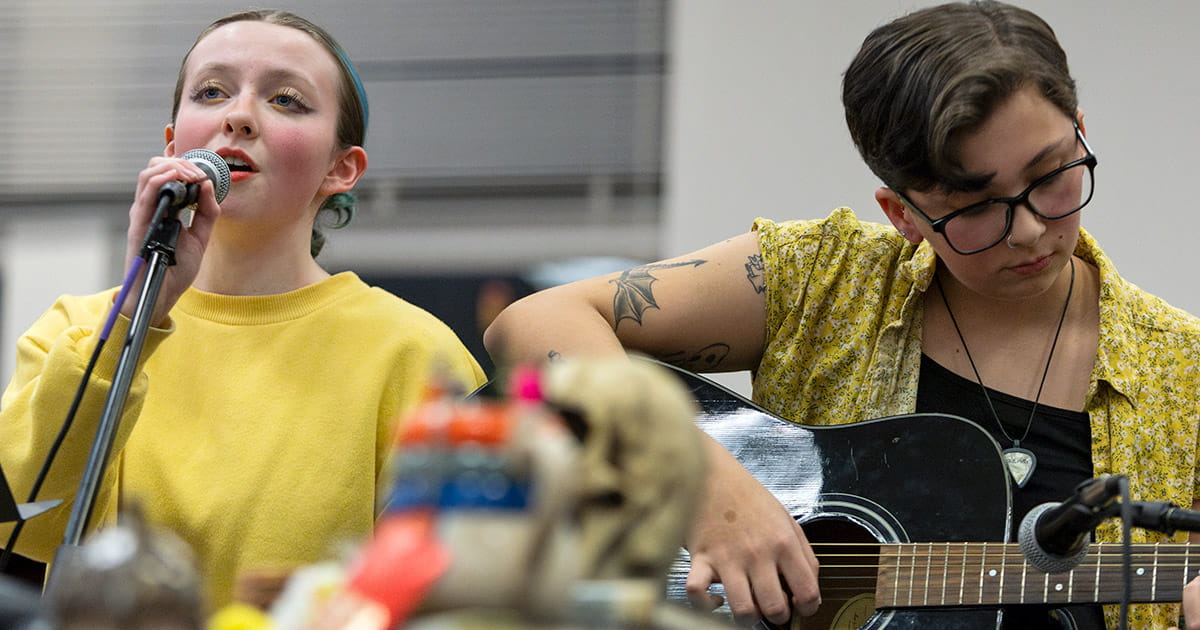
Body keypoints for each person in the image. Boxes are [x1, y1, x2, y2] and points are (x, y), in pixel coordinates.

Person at [483, 1, 1200, 628]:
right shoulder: (820, 280)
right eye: (975, 206)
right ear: (903, 213)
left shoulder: (1184, 374)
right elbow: (534, 325)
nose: (1031, 230)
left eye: (1050, 175)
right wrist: (701, 486)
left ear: (1080, 130)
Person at [0, 9, 485, 611]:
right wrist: (135, 315)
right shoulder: (77, 330)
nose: (238, 115)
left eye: (286, 99)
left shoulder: (416, 353)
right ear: (174, 143)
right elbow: (22, 528)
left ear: (341, 169)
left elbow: (444, 590)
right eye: (211, 92)